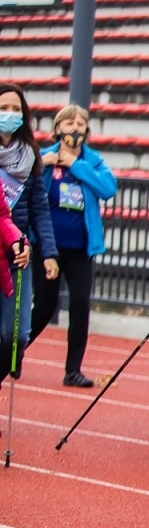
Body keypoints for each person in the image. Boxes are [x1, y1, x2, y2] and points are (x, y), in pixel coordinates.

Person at [29, 105, 118, 387]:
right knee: (44, 306)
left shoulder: (93, 162)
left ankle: (73, 370)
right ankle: (10, 354)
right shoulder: (43, 157)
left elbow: (108, 189)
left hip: (81, 248)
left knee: (80, 304)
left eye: (81, 123)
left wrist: (75, 166)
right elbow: (30, 190)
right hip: (48, 247)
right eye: (69, 123)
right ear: (57, 129)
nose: (75, 128)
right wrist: (48, 164)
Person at [0, 84, 57, 380]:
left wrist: (48, 252)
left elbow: (39, 209)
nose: (9, 114)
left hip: (17, 256)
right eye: (3, 108)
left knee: (17, 335)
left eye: (15, 109)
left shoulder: (30, 155)